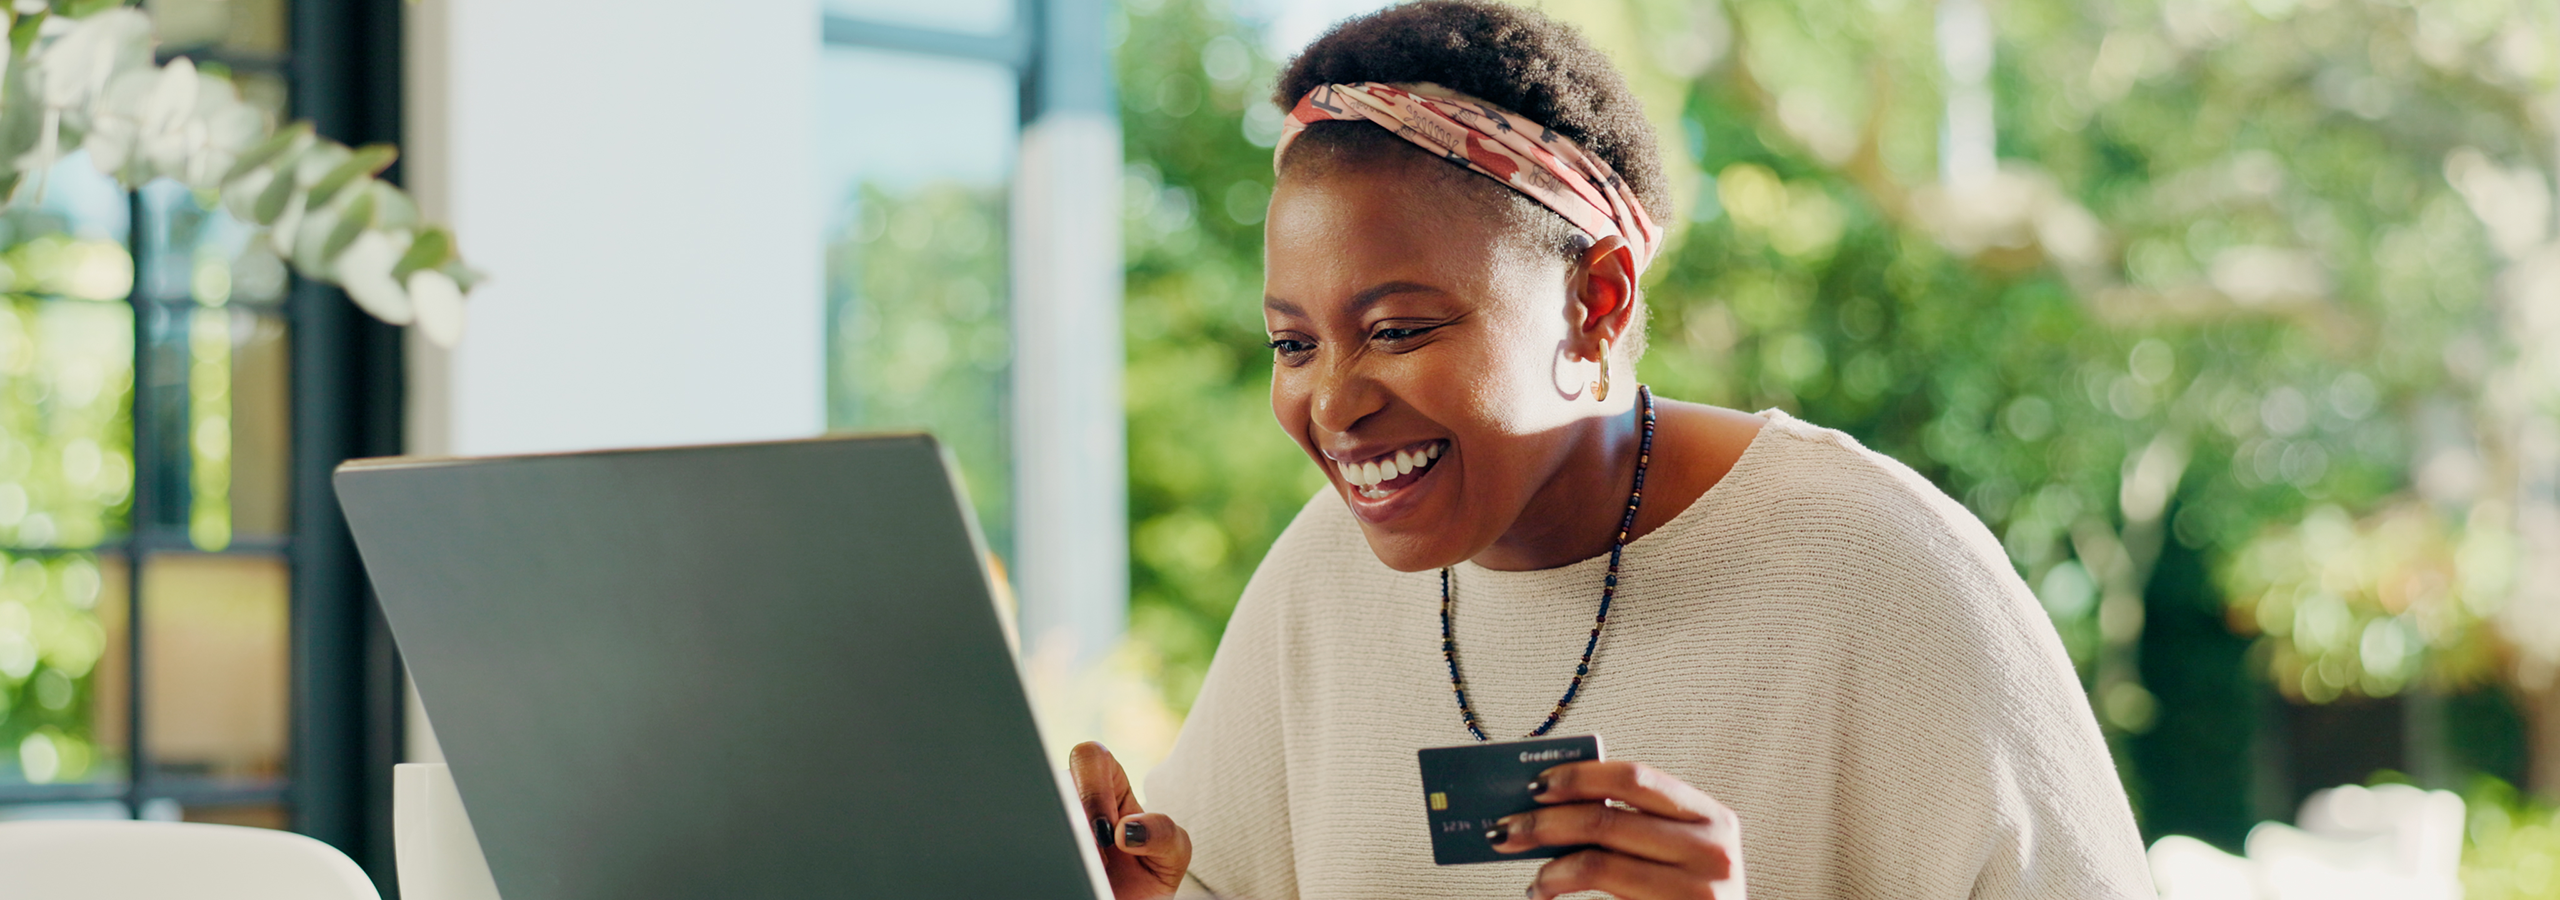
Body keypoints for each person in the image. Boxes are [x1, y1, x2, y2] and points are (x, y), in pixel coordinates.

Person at [1069, 2, 2152, 897]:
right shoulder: (1322, 574)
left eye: (1399, 329)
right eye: (1291, 343)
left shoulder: (1879, 573)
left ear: (1594, 303)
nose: (1334, 401)